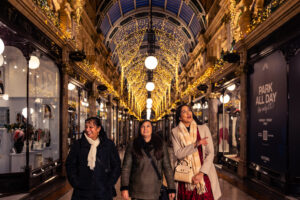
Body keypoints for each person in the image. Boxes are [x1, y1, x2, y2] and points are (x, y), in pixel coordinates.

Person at [171, 104, 221, 200]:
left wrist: (201, 173)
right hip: (185, 177)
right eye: (184, 111)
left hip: (204, 174)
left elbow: (210, 153)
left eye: (189, 110)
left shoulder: (203, 129)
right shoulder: (175, 132)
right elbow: (178, 154)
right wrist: (195, 144)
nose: (188, 113)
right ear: (180, 117)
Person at [66, 117, 121, 200]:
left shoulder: (108, 145)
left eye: (91, 127)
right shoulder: (78, 145)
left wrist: (109, 183)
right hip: (82, 192)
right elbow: (70, 165)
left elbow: (116, 165)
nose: (87, 129)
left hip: (103, 191)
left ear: (98, 129)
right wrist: (76, 183)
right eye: (86, 127)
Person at [121, 120, 176, 200]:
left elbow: (167, 167)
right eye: (143, 126)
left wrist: (171, 188)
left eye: (148, 126)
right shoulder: (133, 144)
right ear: (139, 129)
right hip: (137, 190)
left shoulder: (161, 144)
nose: (145, 129)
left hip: (155, 189)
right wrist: (124, 187)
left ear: (152, 129)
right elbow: (126, 168)